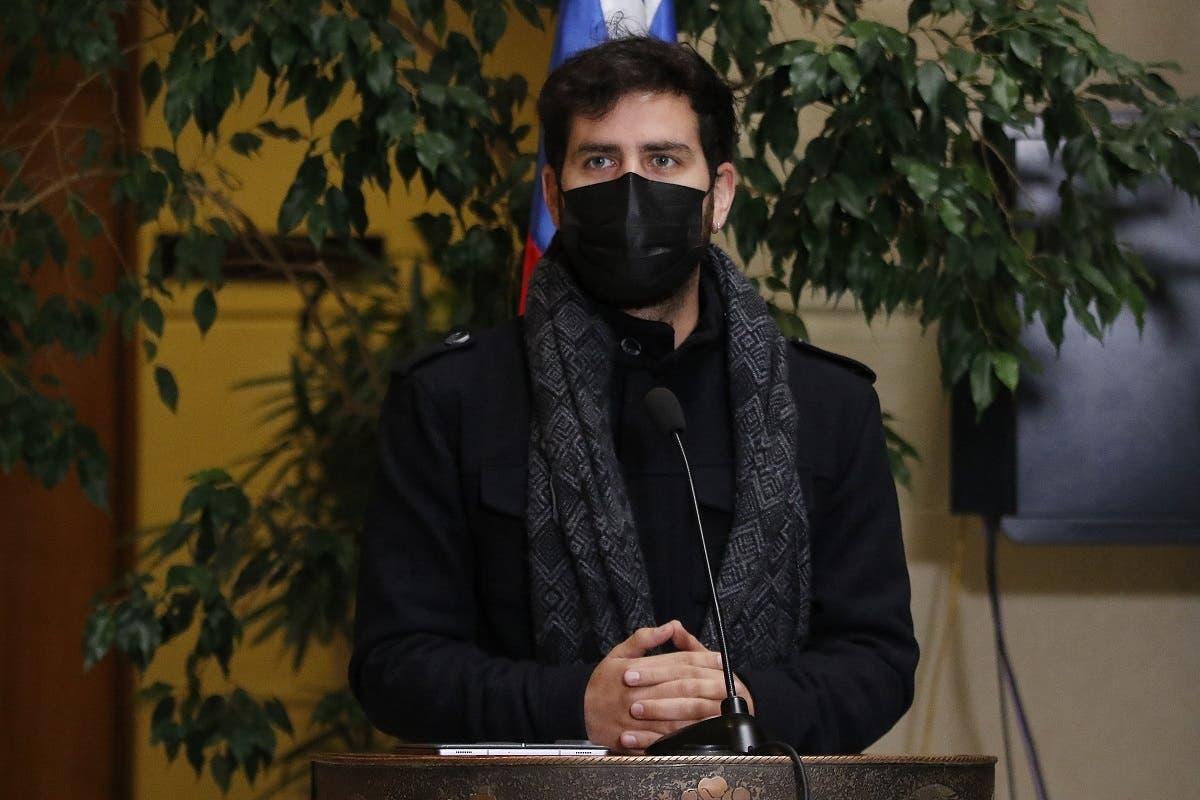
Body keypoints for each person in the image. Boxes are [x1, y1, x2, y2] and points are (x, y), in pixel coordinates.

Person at [349, 36, 918, 754]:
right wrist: (574, 706)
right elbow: (394, 664)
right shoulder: (451, 399)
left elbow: (878, 659)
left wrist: (744, 704)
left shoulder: (828, 406)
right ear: (554, 196)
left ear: (719, 194)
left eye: (663, 160)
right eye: (599, 161)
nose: (631, 187)